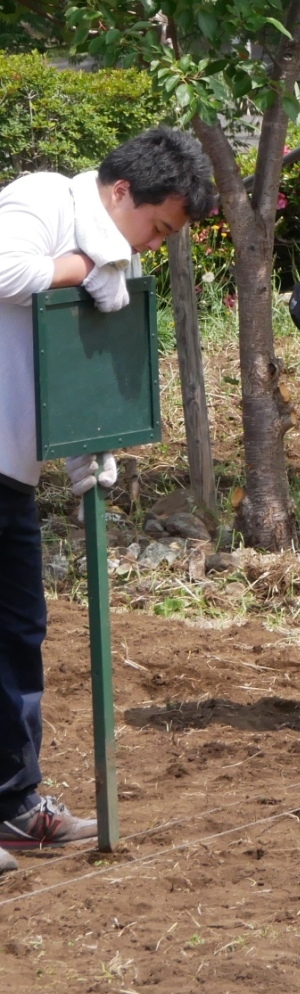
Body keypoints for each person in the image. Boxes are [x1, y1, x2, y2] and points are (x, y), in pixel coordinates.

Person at [0, 130, 216, 872]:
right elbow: (3, 269)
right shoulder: (43, 202)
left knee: (19, 632)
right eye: (157, 228)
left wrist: (83, 454)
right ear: (122, 192)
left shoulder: (109, 262)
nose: (153, 247)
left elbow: (46, 372)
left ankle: (13, 806)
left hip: (11, 475)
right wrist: (85, 264)